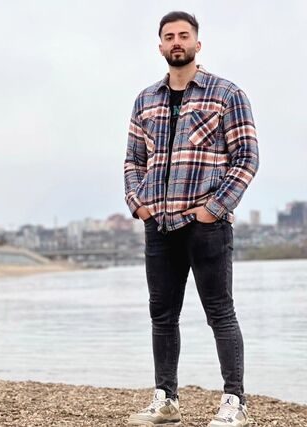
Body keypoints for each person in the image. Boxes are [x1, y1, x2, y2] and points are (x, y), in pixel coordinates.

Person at [124, 11, 259, 427]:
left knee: (220, 312)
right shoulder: (145, 100)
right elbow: (133, 160)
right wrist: (138, 203)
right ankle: (166, 400)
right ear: (160, 47)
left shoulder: (226, 94)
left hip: (207, 226)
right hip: (159, 226)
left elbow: (247, 158)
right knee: (162, 315)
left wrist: (212, 209)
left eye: (184, 35)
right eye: (169, 37)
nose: (177, 42)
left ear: (197, 44)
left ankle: (234, 403)